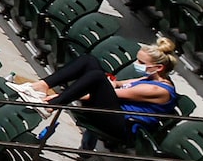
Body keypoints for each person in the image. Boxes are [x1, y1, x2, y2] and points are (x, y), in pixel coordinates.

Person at [17, 38, 182, 148]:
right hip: (112, 111)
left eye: (141, 62)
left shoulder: (156, 89)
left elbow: (111, 93)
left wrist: (62, 95)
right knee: (89, 61)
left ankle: (52, 105)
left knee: (96, 77)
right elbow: (117, 84)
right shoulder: (150, 78)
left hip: (123, 126)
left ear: (159, 67)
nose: (135, 64)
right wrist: (110, 82)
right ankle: (41, 85)